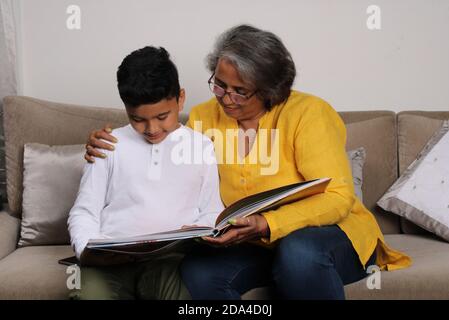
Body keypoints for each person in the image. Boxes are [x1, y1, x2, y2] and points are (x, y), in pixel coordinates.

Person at [84, 25, 411, 300]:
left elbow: (338, 197)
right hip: (249, 242)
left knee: (297, 253)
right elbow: (156, 153)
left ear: (270, 90)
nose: (226, 98)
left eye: (240, 91)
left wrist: (269, 224)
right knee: (197, 271)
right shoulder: (202, 118)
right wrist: (109, 141)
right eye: (220, 85)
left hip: (326, 236)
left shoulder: (308, 114)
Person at [68, 46, 224, 299]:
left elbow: (212, 209)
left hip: (169, 261)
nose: (151, 129)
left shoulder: (201, 146)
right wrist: (86, 248)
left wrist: (196, 231)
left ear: (180, 99)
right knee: (88, 295)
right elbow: (84, 210)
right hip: (110, 263)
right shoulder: (108, 144)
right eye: (137, 119)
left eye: (163, 116)